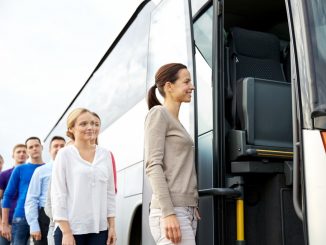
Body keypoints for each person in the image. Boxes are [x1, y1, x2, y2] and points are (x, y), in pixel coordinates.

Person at [144, 63, 200, 245]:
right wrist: (168, 212)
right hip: (172, 211)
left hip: (185, 210)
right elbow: (153, 165)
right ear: (169, 86)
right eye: (186, 82)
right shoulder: (158, 113)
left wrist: (191, 202)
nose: (192, 86)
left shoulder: (176, 122)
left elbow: (180, 168)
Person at [51, 108, 116, 245]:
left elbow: (109, 193)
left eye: (93, 123)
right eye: (83, 124)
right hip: (71, 230)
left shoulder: (105, 155)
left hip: (99, 230)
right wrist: (67, 232)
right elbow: (58, 195)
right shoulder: (64, 154)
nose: (90, 127)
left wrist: (112, 227)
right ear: (71, 129)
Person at [2, 137, 45, 245]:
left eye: (36, 146)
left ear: (41, 147)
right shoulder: (20, 169)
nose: (34, 149)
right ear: (28, 151)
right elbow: (7, 195)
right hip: (21, 217)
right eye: (31, 147)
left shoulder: (49, 168)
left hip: (43, 217)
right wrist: (5, 223)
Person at [25, 136, 66, 245]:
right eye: (55, 146)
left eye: (62, 146)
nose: (59, 148)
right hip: (45, 217)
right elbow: (31, 199)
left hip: (67, 214)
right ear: (49, 150)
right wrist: (34, 226)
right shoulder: (41, 171)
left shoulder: (72, 169)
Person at [0, 144, 28, 245]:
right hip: (6, 222)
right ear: (13, 155)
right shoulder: (4, 175)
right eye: (18, 152)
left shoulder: (33, 173)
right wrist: (3, 224)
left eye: (24, 152)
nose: (21, 154)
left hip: (25, 222)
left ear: (28, 154)